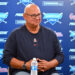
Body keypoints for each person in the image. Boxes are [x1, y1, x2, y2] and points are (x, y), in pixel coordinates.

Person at [3, 4, 64, 75]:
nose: (37, 18)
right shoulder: (15, 34)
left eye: (39, 14)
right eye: (33, 15)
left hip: (48, 72)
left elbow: (60, 55)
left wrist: (49, 64)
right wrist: (25, 65)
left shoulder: (51, 34)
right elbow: (6, 58)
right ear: (25, 16)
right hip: (24, 71)